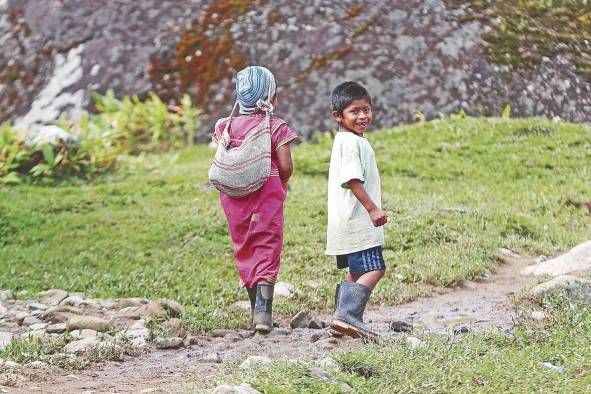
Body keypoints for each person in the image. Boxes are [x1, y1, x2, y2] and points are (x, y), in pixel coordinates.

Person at [212, 66, 297, 334]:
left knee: (245, 246)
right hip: (266, 197)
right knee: (267, 245)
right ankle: (263, 313)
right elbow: (285, 166)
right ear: (269, 97)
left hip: (233, 200)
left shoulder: (225, 125)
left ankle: (255, 312)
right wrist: (282, 179)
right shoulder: (276, 126)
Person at [326, 81, 387, 339]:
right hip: (358, 221)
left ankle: (340, 321)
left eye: (367, 110)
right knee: (376, 268)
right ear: (338, 116)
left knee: (357, 271)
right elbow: (353, 180)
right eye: (354, 111)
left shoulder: (346, 140)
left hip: (346, 221)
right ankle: (348, 316)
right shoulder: (351, 143)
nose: (363, 116)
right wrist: (373, 209)